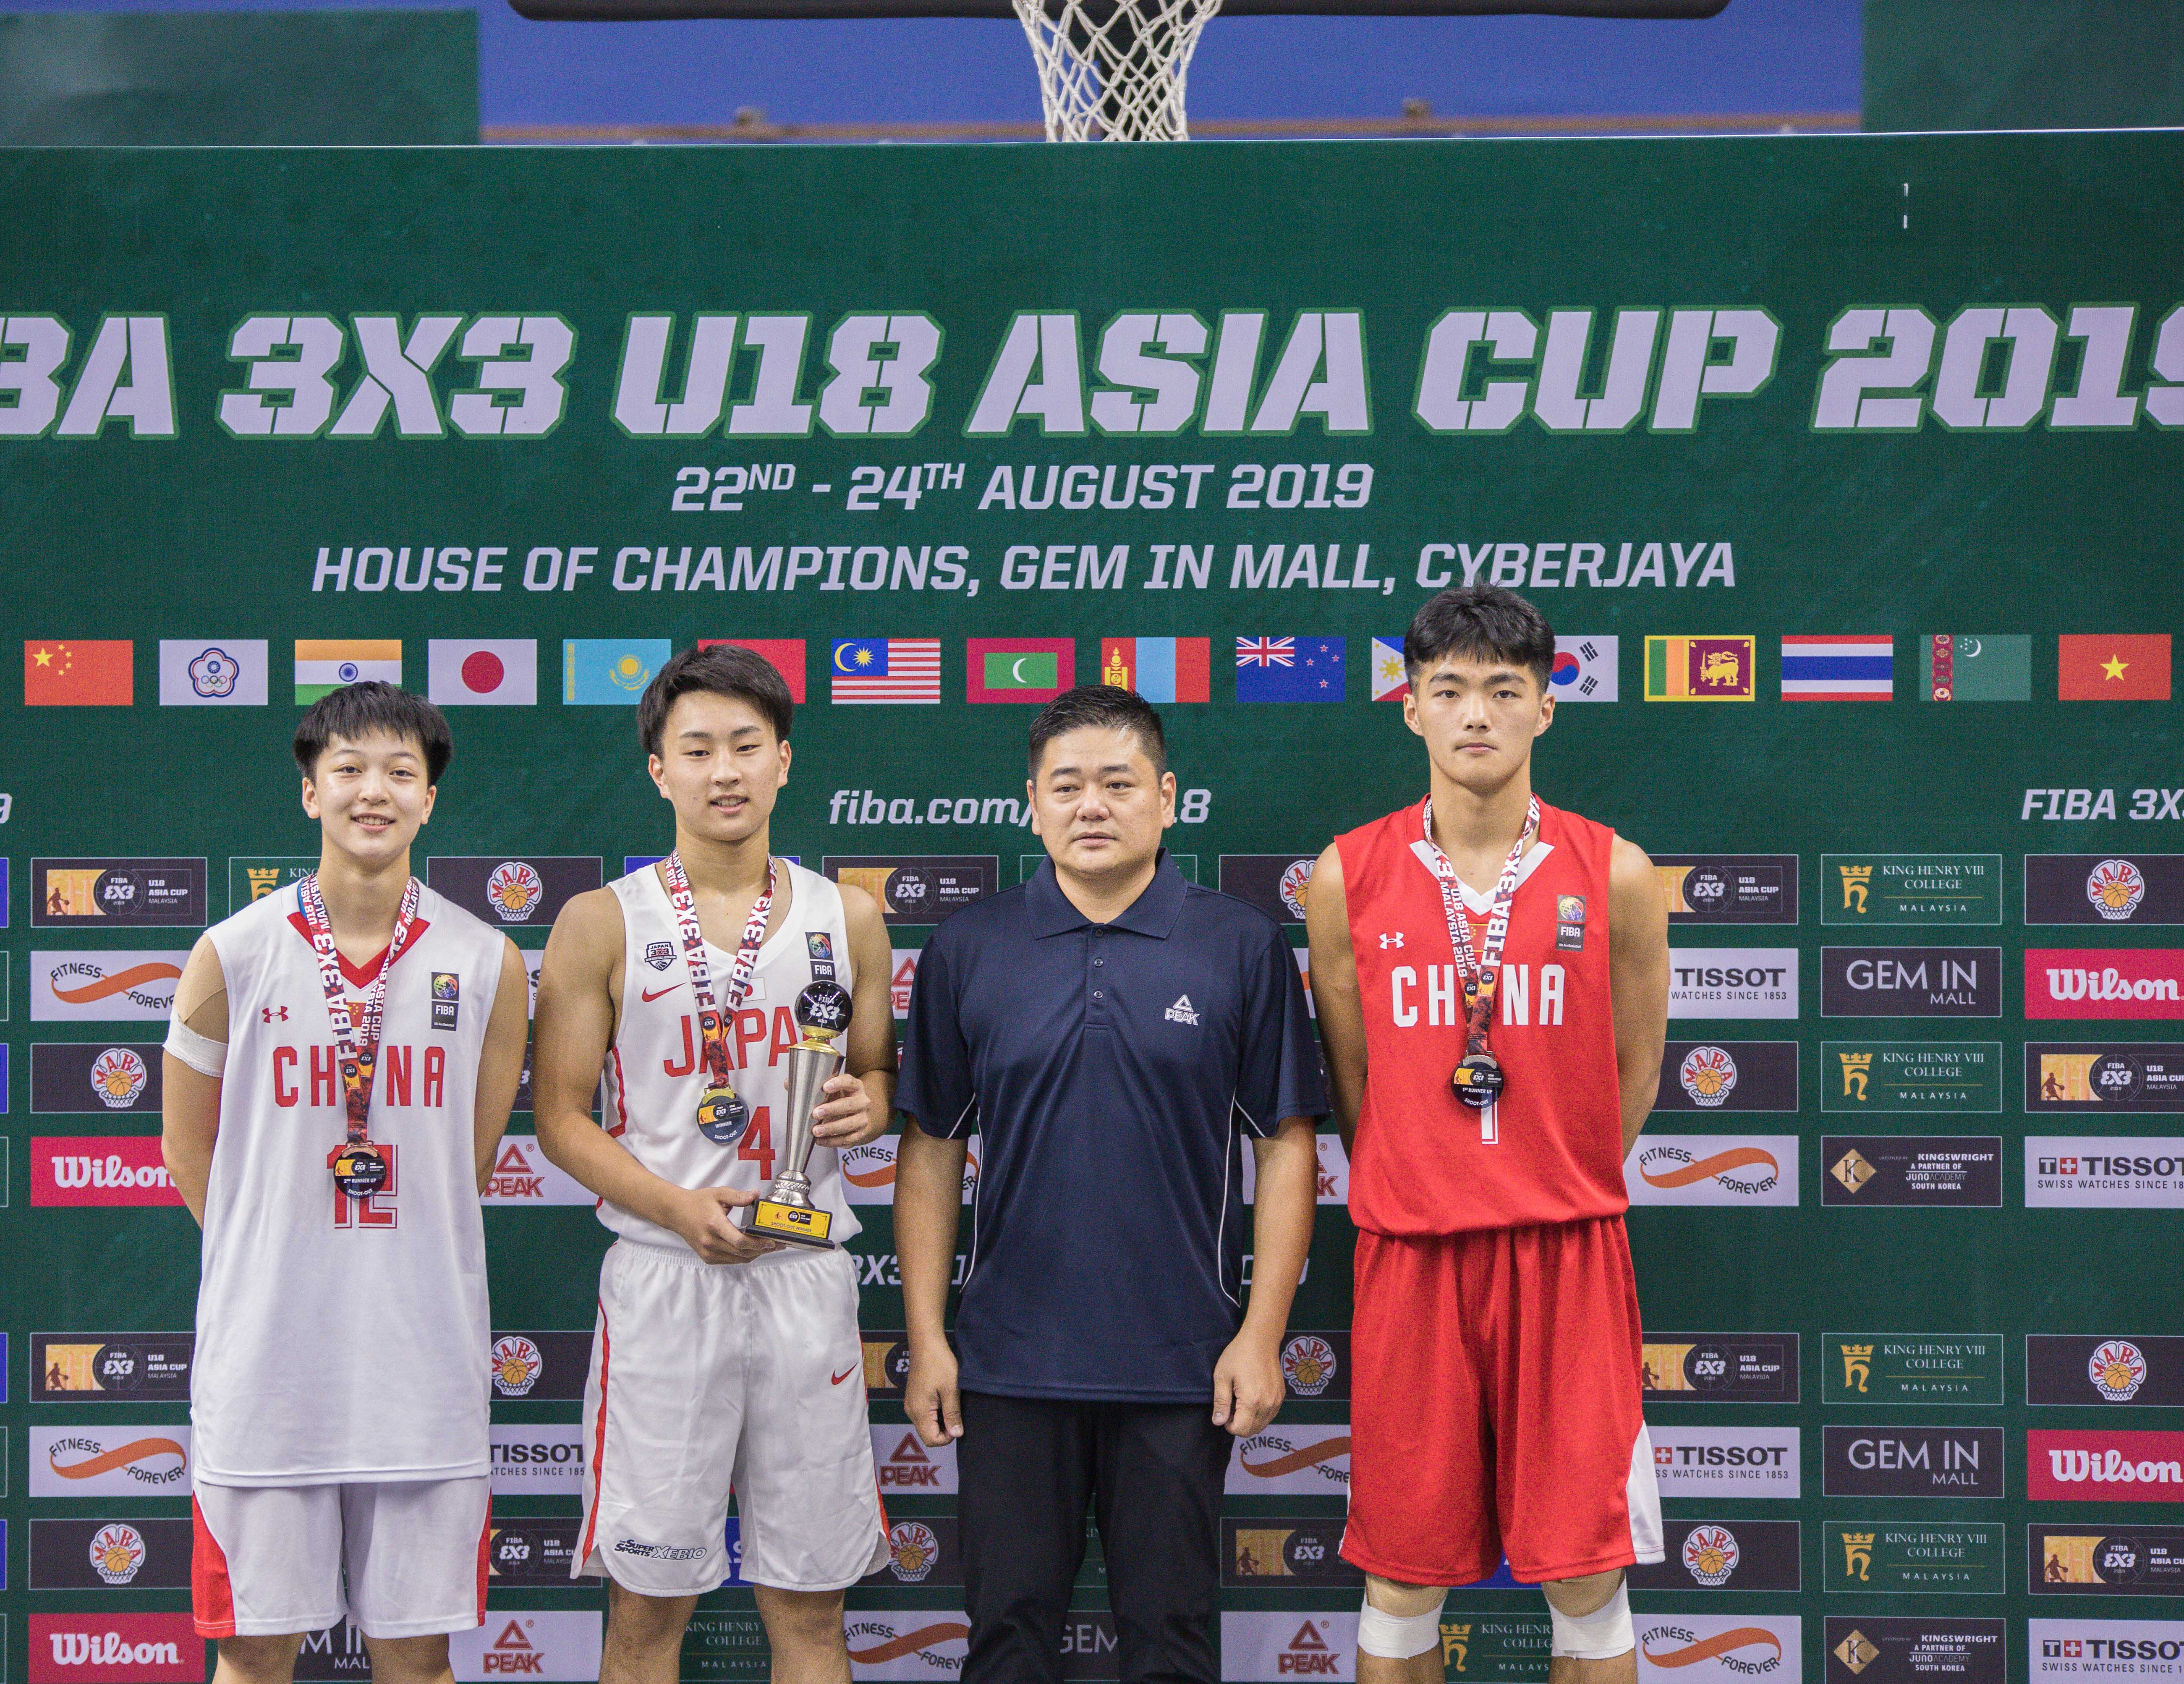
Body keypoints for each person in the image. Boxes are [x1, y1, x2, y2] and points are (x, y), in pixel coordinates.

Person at [893, 683, 1325, 1684]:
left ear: (1168, 798)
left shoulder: (1241, 943)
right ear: (1032, 803)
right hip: (1004, 1366)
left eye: (1119, 783)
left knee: (1171, 1646)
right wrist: (926, 1339)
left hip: (1183, 1364)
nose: (1094, 805)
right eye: (1069, 785)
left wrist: (1260, 1336)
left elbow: (1287, 1146)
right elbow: (929, 1151)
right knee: (1004, 1641)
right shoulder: (970, 946)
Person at [1300, 586, 1671, 1684]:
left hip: (1567, 1252)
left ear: (1546, 709)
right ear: (1409, 708)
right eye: (1449, 690)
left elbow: (1635, 1071)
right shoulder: (1346, 875)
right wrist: (1433, 1174)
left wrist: (1545, 1169)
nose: (1476, 715)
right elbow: (1355, 1080)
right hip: (1412, 1255)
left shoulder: (1616, 871)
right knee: (1403, 1575)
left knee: (1588, 1576)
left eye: (1505, 691)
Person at [531, 644, 896, 1684]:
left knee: (812, 1613)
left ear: (785, 759)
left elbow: (881, 1084)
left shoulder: (847, 916)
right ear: (660, 769)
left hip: (804, 1273)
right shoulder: (601, 920)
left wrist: (868, 1103)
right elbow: (560, 1118)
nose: (724, 770)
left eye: (746, 745)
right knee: (646, 1616)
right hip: (663, 1278)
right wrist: (678, 1205)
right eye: (697, 749)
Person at [161, 682, 528, 1684]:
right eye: (351, 770)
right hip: (269, 1371)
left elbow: (474, 1156)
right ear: (310, 792)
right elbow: (189, 1153)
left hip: (423, 1371)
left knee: (417, 1661)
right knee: (254, 1659)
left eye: (401, 773)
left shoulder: (490, 961)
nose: (377, 792)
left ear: (430, 801)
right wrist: (271, 1243)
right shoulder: (230, 954)